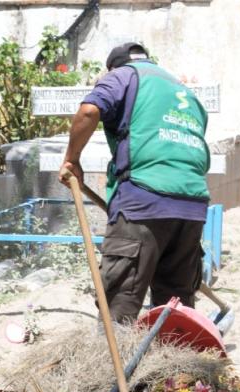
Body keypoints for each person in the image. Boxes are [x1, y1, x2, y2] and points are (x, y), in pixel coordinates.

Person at [58, 42, 211, 325]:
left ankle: (110, 367)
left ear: (113, 67)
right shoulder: (185, 93)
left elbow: (89, 111)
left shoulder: (124, 75)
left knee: (118, 305)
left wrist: (71, 160)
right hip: (192, 207)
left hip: (142, 200)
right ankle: (175, 368)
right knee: (174, 310)